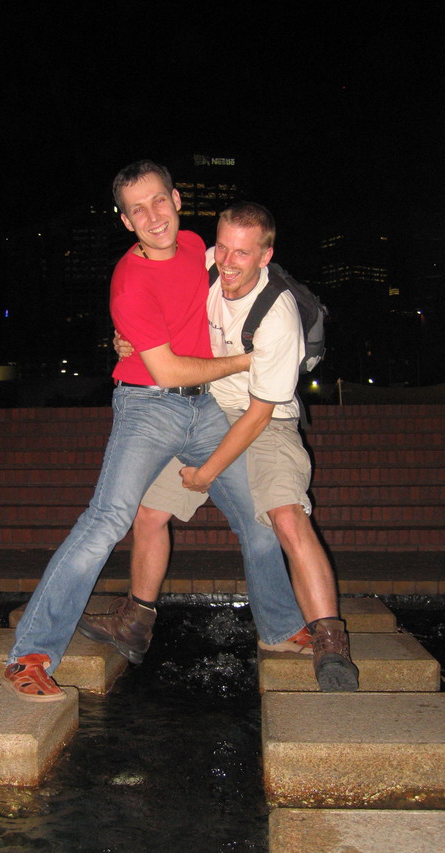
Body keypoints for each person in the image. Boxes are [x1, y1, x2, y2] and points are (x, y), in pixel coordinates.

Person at [3, 161, 308, 702]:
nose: (153, 216)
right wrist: (246, 361)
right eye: (137, 210)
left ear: (177, 199)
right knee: (107, 519)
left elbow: (243, 271)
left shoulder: (196, 248)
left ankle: (283, 628)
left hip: (207, 407)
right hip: (147, 408)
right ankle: (31, 654)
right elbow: (165, 370)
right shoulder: (130, 282)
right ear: (126, 221)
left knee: (258, 517)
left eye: (159, 201)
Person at [80, 202, 359, 692]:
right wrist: (128, 339)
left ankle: (330, 644)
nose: (227, 262)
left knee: (286, 515)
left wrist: (207, 472)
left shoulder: (278, 317)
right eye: (223, 247)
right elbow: (157, 303)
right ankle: (135, 623)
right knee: (149, 513)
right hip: (205, 407)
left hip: (266, 421)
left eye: (242, 254)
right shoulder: (205, 262)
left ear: (265, 255)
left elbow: (258, 415)